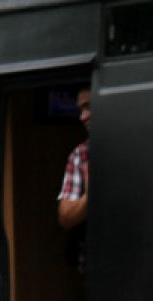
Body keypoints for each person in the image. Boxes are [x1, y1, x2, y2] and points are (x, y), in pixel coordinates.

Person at [56, 86, 91, 231]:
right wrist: (89, 197)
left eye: (89, 107)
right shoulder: (81, 154)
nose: (82, 117)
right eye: (81, 110)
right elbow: (65, 217)